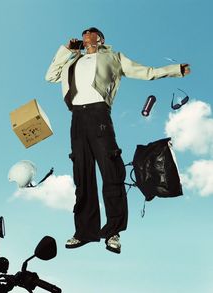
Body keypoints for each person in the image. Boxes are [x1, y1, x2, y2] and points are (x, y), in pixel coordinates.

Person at [45, 27, 190, 254]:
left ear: (100, 39)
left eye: (91, 33)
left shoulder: (113, 57)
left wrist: (175, 70)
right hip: (77, 119)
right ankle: (84, 231)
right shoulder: (71, 61)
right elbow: (50, 76)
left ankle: (113, 232)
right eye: (83, 34)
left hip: (99, 114)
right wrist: (66, 50)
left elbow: (146, 72)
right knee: (82, 176)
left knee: (111, 173)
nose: (86, 35)